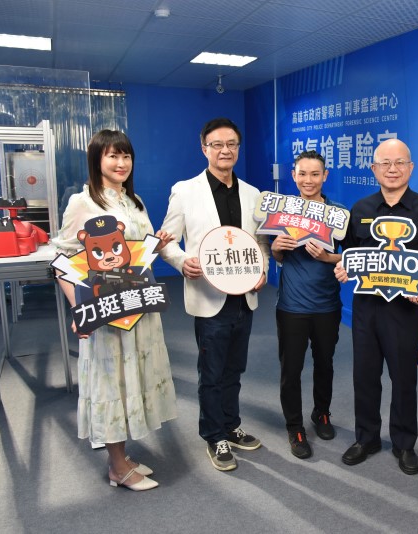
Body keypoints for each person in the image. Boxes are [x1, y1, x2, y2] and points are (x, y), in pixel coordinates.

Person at [54, 130, 177, 491]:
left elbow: (138, 252)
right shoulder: (82, 202)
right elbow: (62, 259)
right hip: (104, 310)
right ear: (97, 160)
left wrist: (158, 244)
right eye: (112, 156)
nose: (121, 163)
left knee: (132, 377)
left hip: (138, 303)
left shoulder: (134, 201)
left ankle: (122, 455)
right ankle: (117, 466)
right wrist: (79, 309)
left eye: (126, 156)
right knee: (111, 381)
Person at [158, 118, 270, 472]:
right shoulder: (185, 191)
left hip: (244, 297)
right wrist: (182, 262)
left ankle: (231, 426)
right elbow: (166, 241)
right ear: (204, 148)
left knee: (235, 368)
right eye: (217, 144)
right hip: (208, 296)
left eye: (231, 144)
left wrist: (263, 270)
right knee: (212, 371)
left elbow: (260, 243)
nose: (225, 150)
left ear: (238, 147)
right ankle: (214, 435)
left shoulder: (252, 194)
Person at [334, 138, 418, 475]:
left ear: (411, 167)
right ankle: (366, 438)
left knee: (404, 378)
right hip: (366, 308)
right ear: (374, 169)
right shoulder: (360, 209)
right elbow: (350, 253)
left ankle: (404, 443)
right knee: (365, 376)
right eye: (385, 163)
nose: (392, 169)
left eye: (400, 163)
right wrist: (345, 267)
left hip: (405, 311)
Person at [271, 150, 343, 459]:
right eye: (302, 174)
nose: (308, 180)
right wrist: (276, 247)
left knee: (325, 363)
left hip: (327, 304)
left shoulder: (338, 214)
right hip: (292, 306)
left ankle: (321, 413)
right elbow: (277, 255)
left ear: (325, 176)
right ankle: (295, 426)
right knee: (291, 369)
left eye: (315, 174)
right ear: (294, 176)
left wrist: (327, 257)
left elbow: (350, 256)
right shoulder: (282, 211)